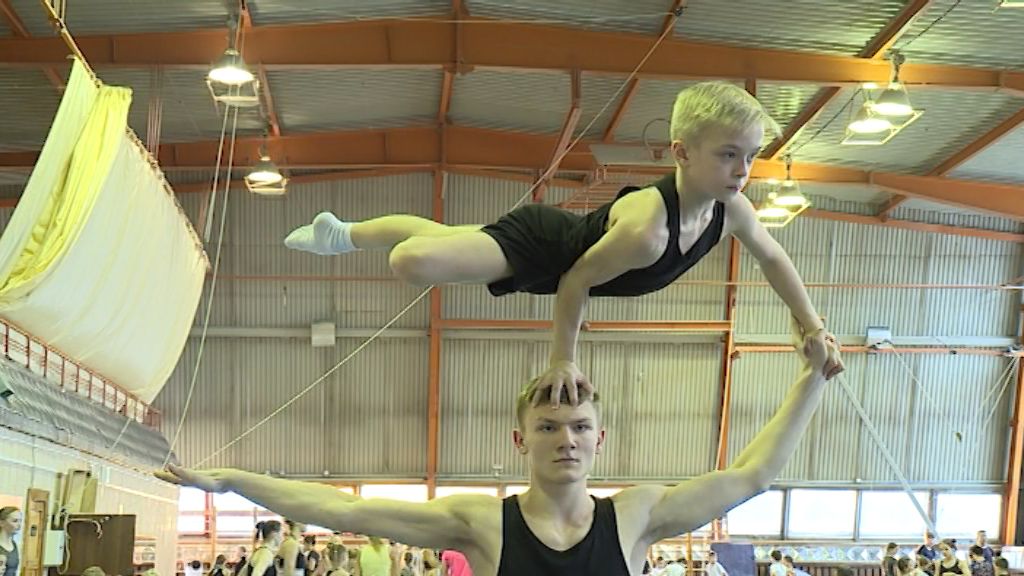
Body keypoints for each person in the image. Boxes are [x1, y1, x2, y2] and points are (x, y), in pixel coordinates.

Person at [283, 81, 844, 403]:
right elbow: (576, 281)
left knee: (442, 241)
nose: (743, 170)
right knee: (411, 260)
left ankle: (339, 233)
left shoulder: (732, 210)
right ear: (681, 152)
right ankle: (344, 237)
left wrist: (813, 326)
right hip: (544, 246)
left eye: (750, 156)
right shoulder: (648, 231)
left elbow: (774, 258)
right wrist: (562, 361)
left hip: (566, 257)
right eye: (728, 155)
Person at [157, 317, 838, 576]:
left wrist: (811, 381)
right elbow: (344, 510)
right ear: (520, 441)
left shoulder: (637, 516)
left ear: (600, 440)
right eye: (548, 427)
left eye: (579, 428)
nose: (566, 440)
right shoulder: (481, 523)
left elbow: (752, 476)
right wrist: (232, 480)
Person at [0, 507, 20, 576]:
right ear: (2, 523)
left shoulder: (14, 544)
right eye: (15, 521)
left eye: (20, 521)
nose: (19, 525)